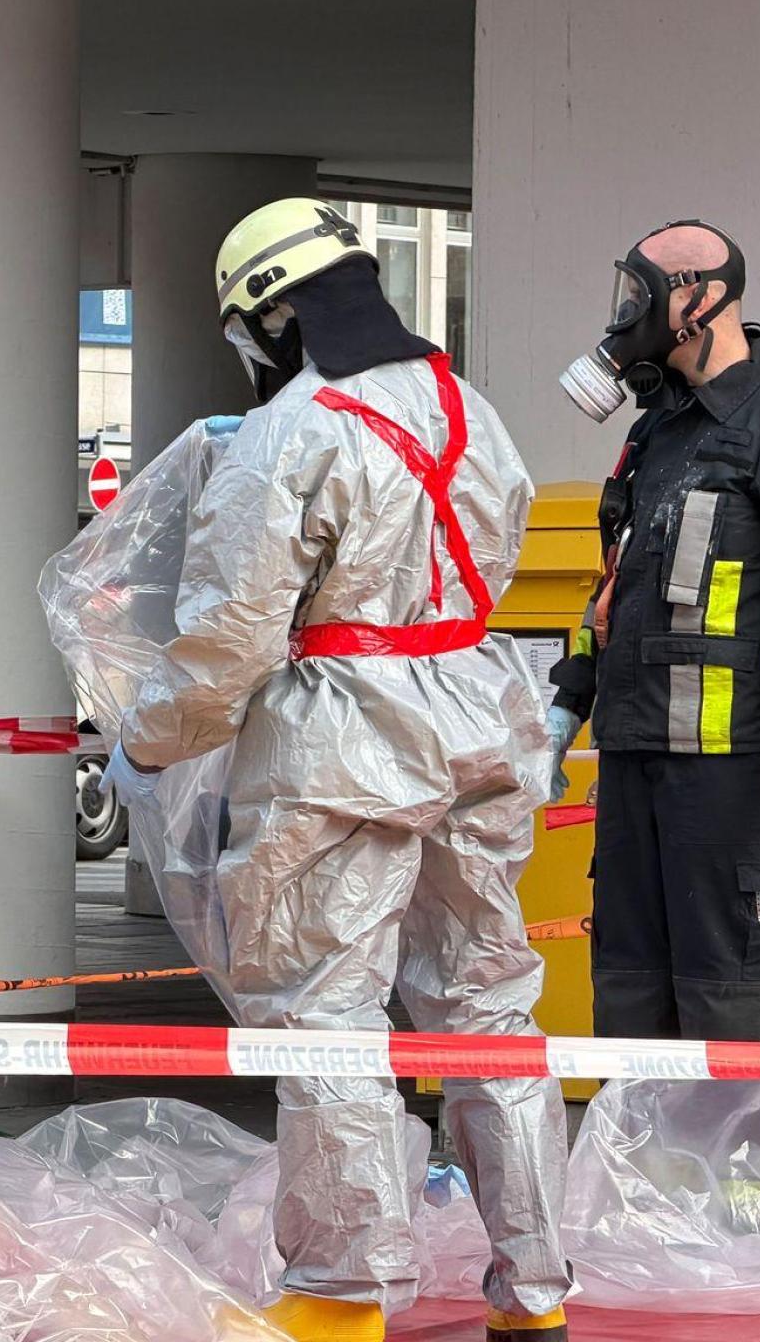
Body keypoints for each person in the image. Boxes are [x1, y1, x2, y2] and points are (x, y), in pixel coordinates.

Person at [108, 198, 568, 1341]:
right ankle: (536, 1292)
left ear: (274, 314)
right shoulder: (470, 406)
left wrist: (149, 739)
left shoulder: (292, 431)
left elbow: (230, 634)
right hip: (472, 715)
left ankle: (340, 1298)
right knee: (489, 1012)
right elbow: (493, 558)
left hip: (339, 741)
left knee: (327, 1018)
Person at [547, 221, 760, 1044]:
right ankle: (647, 1177)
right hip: (632, 771)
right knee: (628, 997)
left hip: (734, 777)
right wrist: (564, 707)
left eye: (641, 296)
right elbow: (611, 590)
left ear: (699, 298)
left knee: (743, 998)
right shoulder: (656, 427)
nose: (626, 316)